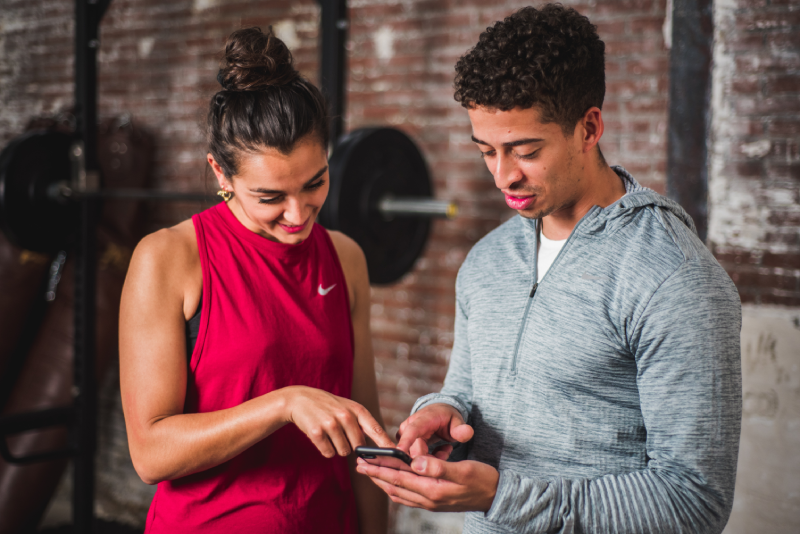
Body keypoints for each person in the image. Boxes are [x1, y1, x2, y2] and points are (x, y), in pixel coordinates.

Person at [357, 5, 742, 533]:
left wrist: (506, 497)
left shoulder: (674, 277)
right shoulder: (488, 259)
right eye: (487, 151)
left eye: (525, 150)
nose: (502, 176)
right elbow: (466, 387)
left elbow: (693, 503)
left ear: (589, 128)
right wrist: (441, 409)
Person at [119, 27, 394, 534]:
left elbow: (364, 440)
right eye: (270, 197)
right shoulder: (169, 258)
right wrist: (284, 403)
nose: (297, 213)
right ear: (221, 174)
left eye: (315, 183)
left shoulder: (345, 257)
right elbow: (151, 453)